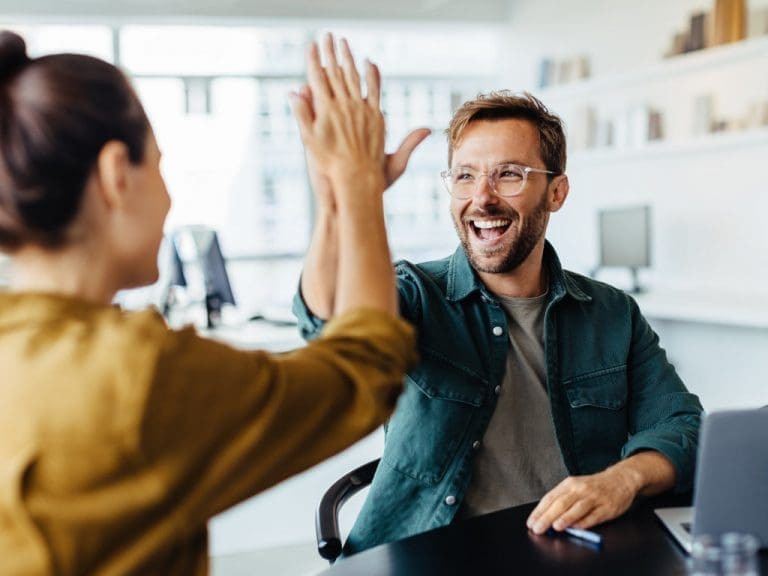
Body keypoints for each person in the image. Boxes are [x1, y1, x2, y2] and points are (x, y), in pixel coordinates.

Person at [0, 31, 418, 575]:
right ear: (115, 175)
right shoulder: (133, 375)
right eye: (159, 165)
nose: (170, 196)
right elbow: (364, 369)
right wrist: (358, 183)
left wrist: (340, 201)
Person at [294, 90, 704, 555]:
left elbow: (683, 425)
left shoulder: (612, 313)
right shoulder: (414, 295)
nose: (482, 198)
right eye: (465, 176)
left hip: (566, 554)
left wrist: (623, 479)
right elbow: (326, 321)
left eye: (509, 174)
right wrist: (339, 199)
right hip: (425, 557)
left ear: (556, 192)